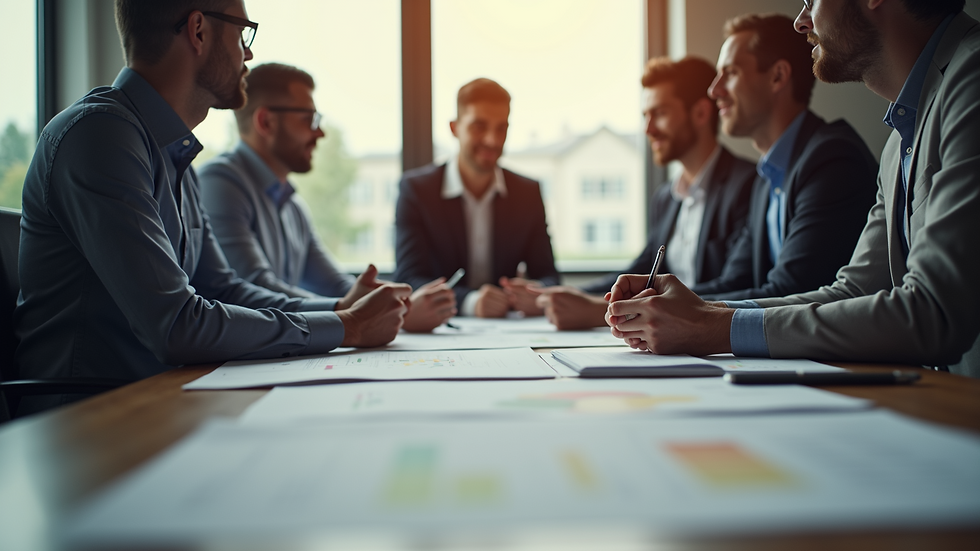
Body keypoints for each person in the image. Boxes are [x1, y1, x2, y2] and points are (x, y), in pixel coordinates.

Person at [13, 0, 411, 413]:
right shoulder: (100, 136)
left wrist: (342, 310)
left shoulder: (175, 155)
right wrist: (347, 326)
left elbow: (225, 289)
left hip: (164, 402)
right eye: (243, 33)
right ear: (198, 31)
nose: (249, 54)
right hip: (87, 424)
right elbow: (177, 325)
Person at [606, 0, 980, 378]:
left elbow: (934, 311)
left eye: (811, 2)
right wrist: (701, 313)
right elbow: (851, 292)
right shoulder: (898, 142)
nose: (801, 22)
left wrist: (709, 327)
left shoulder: (973, 79)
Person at [199, 63, 455, 333]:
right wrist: (349, 312)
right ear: (266, 121)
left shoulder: (293, 205)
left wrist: (398, 305)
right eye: (309, 119)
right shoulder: (219, 184)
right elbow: (254, 290)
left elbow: (339, 286)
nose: (320, 133)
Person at [535, 56, 756, 330]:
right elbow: (640, 270)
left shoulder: (749, 184)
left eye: (660, 113)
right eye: (645, 116)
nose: (648, 129)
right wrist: (557, 296)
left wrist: (603, 311)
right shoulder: (665, 197)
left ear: (700, 113)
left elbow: (738, 285)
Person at [687, 13, 878, 301]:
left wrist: (680, 311)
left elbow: (793, 291)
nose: (714, 90)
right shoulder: (767, 177)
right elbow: (735, 281)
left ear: (777, 76)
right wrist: (652, 299)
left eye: (731, 73)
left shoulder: (832, 161)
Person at [394, 78, 560, 318]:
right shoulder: (417, 190)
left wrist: (535, 293)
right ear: (455, 128)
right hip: (443, 330)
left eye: (501, 128)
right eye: (479, 126)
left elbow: (549, 275)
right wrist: (469, 302)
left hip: (510, 330)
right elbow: (409, 279)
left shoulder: (527, 192)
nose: (492, 140)